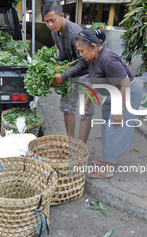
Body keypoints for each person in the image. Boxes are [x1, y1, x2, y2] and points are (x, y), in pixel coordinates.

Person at [75, 29, 143, 178]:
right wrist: (87, 100)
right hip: (116, 93)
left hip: (128, 93)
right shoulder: (92, 59)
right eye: (79, 51)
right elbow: (96, 81)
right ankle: (108, 159)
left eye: (82, 51)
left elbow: (125, 83)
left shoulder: (107, 59)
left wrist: (119, 111)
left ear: (93, 46)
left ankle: (107, 168)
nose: (81, 55)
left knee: (115, 126)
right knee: (106, 123)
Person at [41, 0, 92, 143]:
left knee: (85, 112)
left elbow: (85, 62)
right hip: (72, 73)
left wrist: (63, 76)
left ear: (62, 15)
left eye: (52, 20)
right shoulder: (55, 33)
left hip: (87, 73)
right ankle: (71, 141)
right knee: (67, 108)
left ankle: (81, 146)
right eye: (46, 22)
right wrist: (55, 69)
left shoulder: (75, 33)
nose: (50, 25)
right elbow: (63, 56)